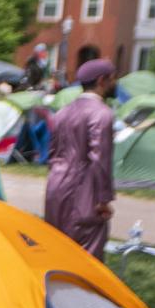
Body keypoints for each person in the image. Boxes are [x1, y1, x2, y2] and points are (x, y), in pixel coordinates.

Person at [45, 59, 117, 257]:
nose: (115, 83)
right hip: (84, 188)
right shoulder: (101, 114)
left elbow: (52, 152)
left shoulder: (62, 112)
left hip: (55, 186)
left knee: (56, 247)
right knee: (86, 254)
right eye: (113, 78)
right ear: (102, 80)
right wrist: (103, 198)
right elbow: (100, 157)